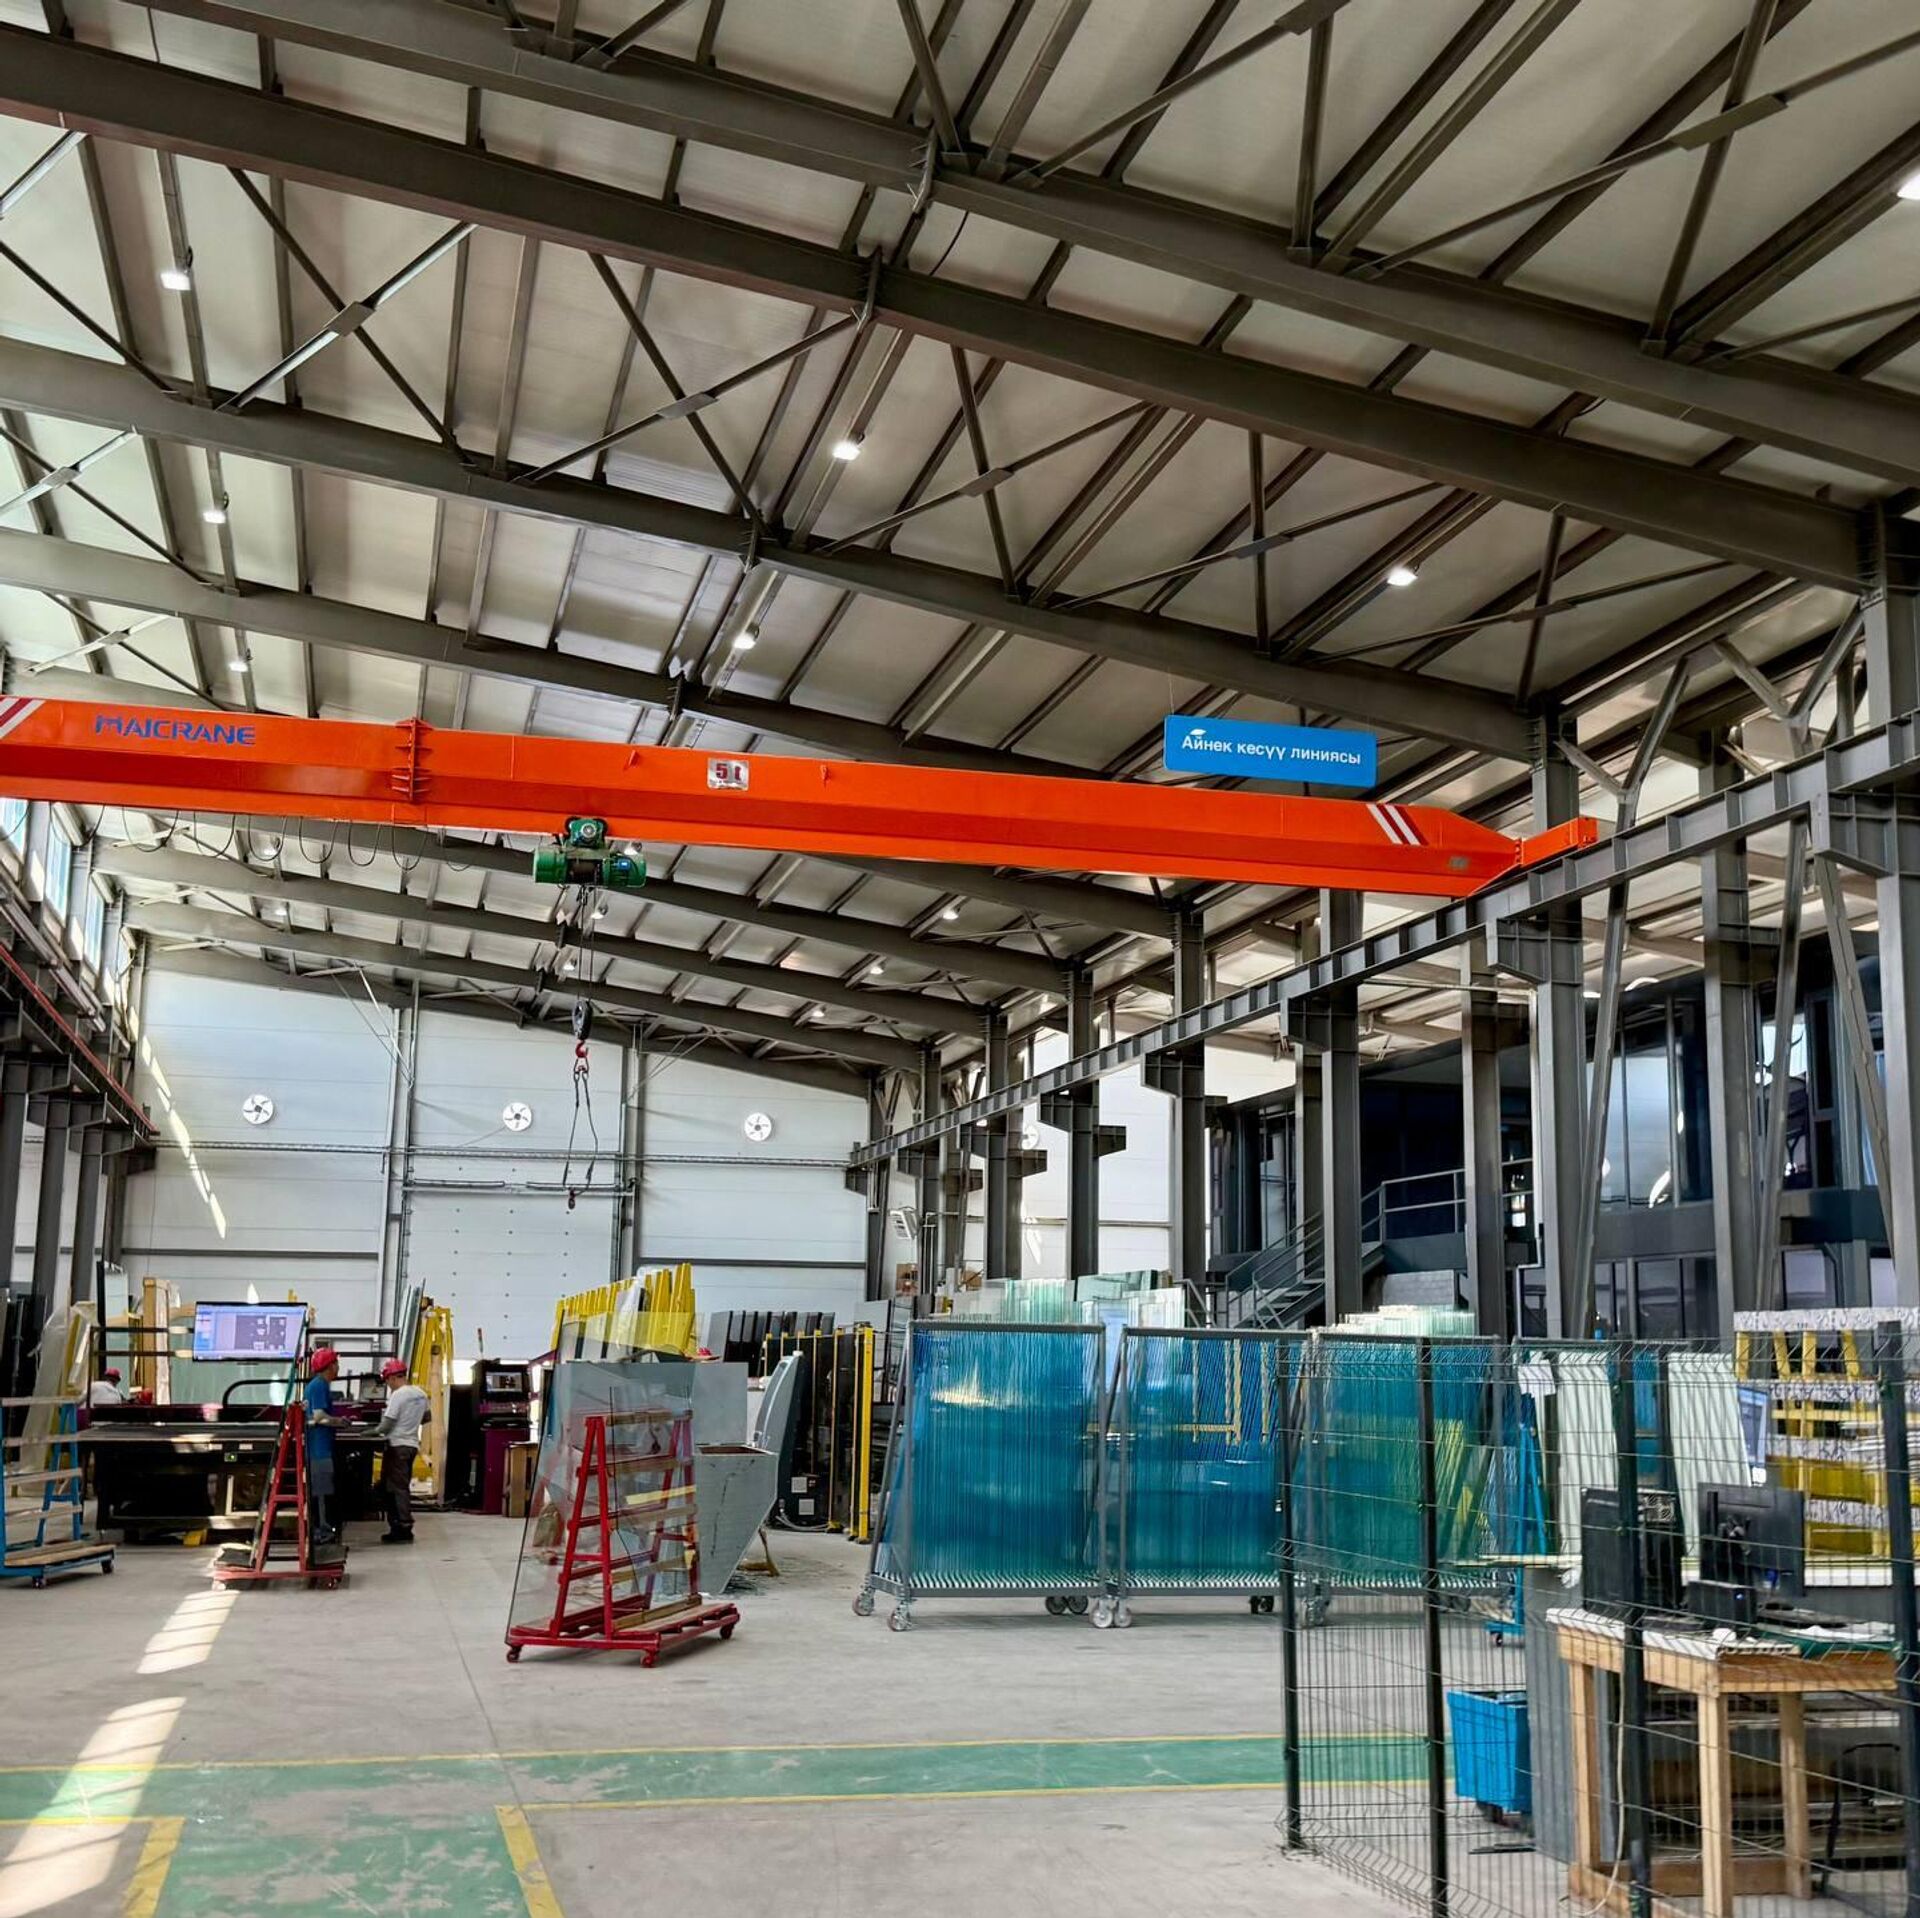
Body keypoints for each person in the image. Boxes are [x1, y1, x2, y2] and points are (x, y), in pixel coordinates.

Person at [375, 1359, 429, 1545]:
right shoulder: (421, 1393)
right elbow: (426, 1418)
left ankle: (402, 1528)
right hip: (412, 1445)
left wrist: (370, 1431)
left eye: (387, 1381)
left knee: (396, 1488)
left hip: (397, 1446)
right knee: (400, 1485)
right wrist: (409, 1422)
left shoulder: (398, 1395)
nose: (388, 1385)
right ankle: (401, 1526)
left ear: (392, 1377)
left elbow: (387, 1425)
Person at [304, 1346, 342, 1545]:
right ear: (330, 1366)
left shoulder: (315, 1385)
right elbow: (319, 1416)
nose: (338, 1367)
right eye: (336, 1363)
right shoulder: (320, 1385)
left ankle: (321, 1529)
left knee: (321, 1491)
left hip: (318, 1447)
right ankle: (322, 1532)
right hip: (319, 1450)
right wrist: (339, 1422)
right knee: (321, 1492)